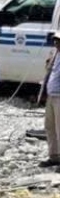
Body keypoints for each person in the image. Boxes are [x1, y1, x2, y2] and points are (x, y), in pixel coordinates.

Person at [38, 31, 60, 167]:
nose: (56, 43)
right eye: (55, 40)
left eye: (58, 40)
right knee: (50, 127)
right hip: (52, 94)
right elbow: (49, 72)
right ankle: (54, 156)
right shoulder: (55, 54)